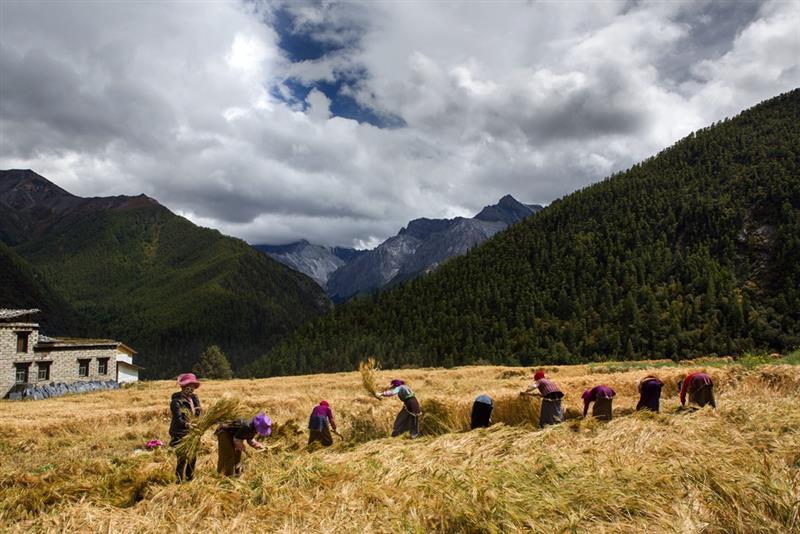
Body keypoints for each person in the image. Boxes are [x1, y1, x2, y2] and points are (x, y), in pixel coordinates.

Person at [168, 373, 201, 482]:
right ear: (183, 387)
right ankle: (179, 481)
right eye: (189, 385)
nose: (191, 388)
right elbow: (178, 420)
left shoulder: (194, 398)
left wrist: (199, 422)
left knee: (192, 458)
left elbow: (198, 413)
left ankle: (189, 479)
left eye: (193, 386)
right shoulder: (176, 402)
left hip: (193, 433)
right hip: (180, 433)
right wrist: (188, 425)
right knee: (181, 459)